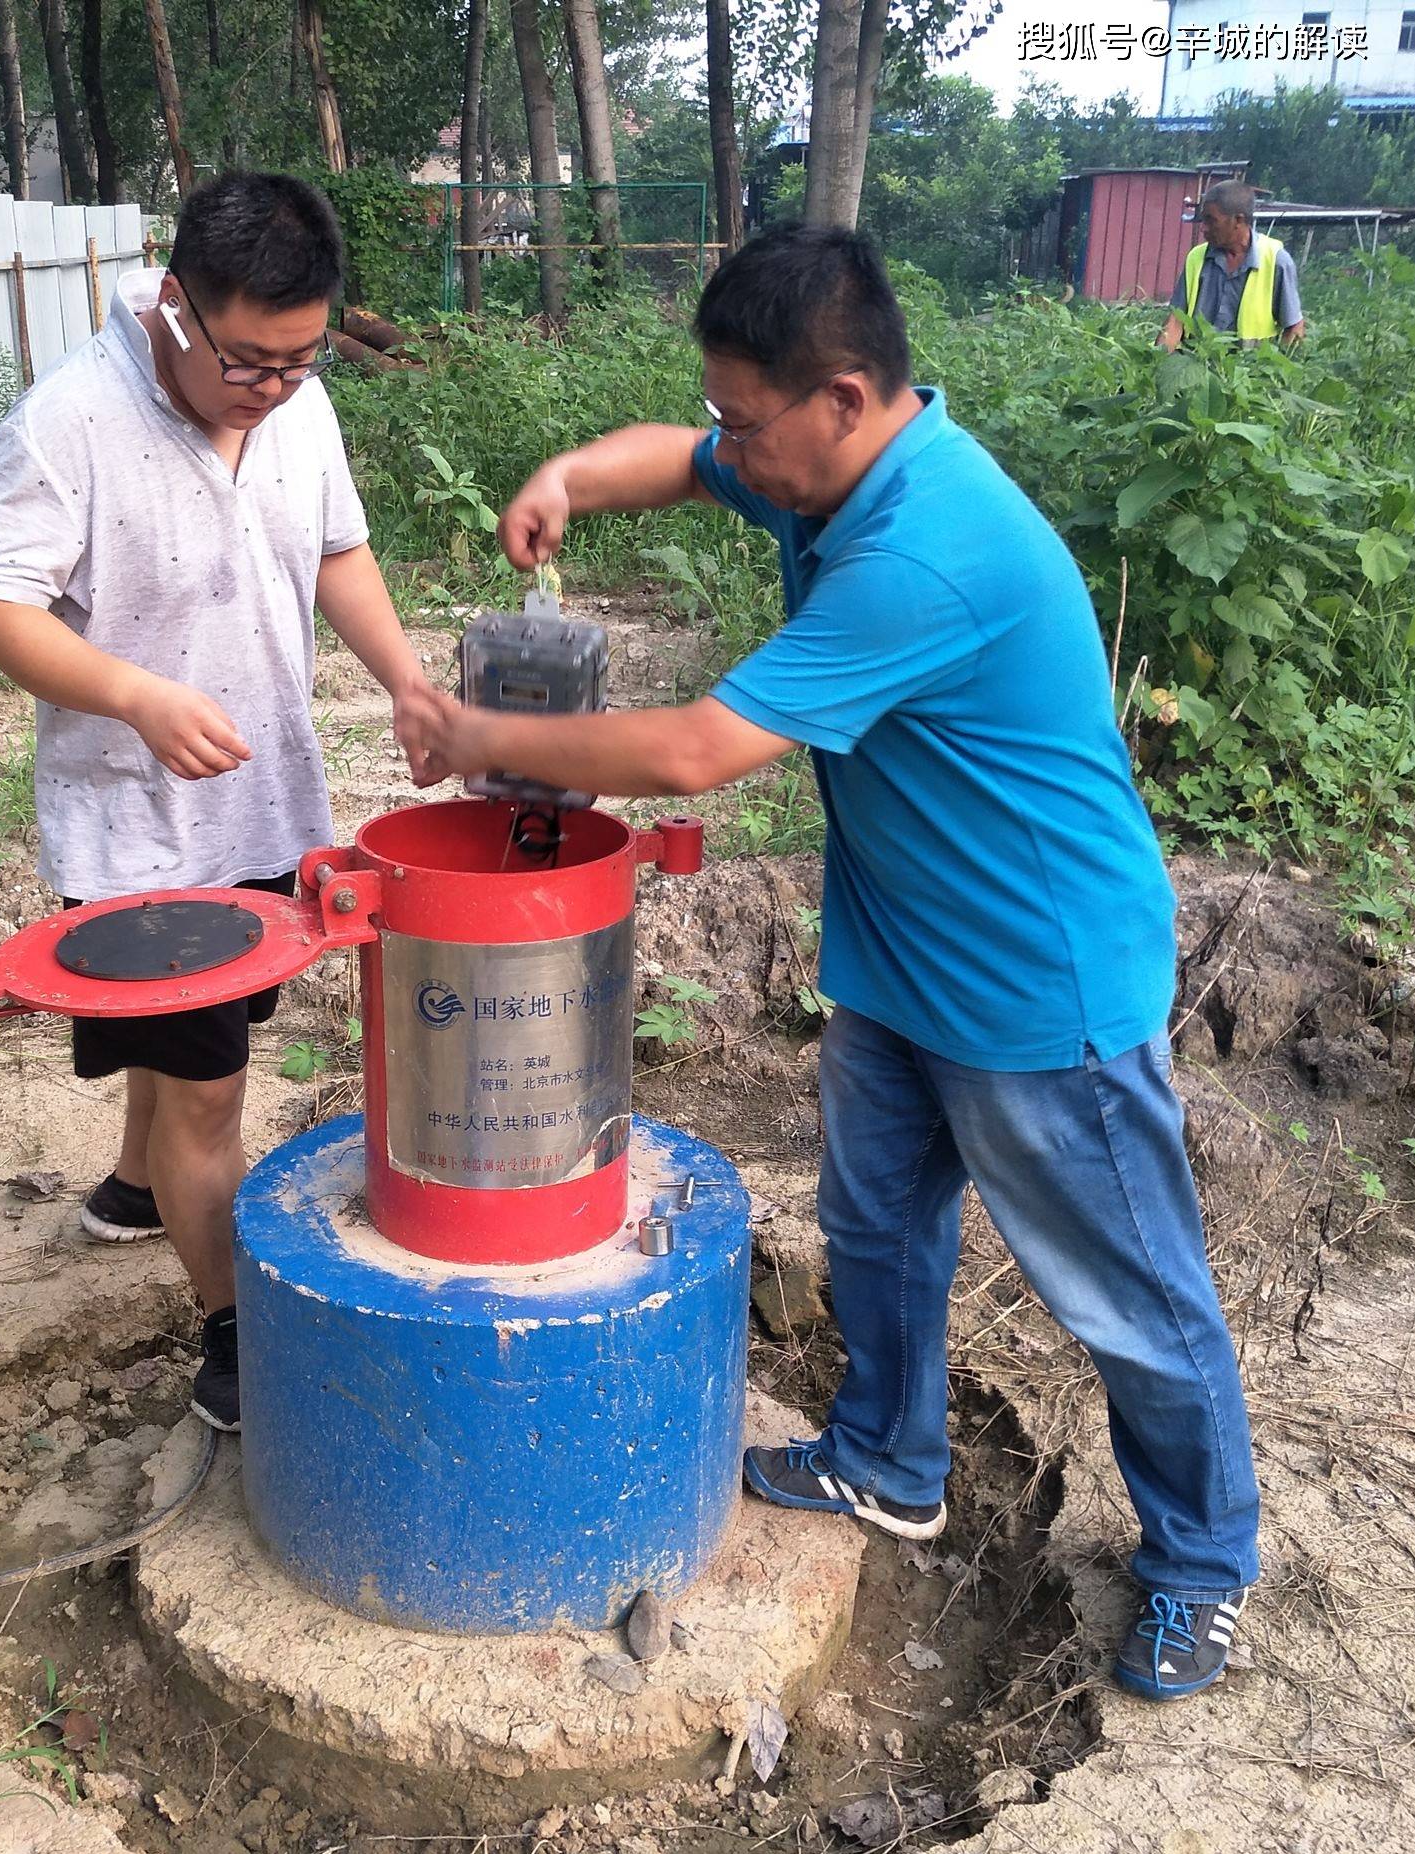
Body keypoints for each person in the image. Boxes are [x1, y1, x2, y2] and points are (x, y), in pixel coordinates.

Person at [400, 223, 1261, 1702]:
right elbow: (678, 453)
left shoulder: (927, 551)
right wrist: (567, 477)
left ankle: (1201, 1562)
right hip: (901, 954)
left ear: (846, 398)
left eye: (753, 419)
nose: (735, 444)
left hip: (1038, 983)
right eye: (729, 410)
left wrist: (481, 742)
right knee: (875, 1230)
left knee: (1128, 1291)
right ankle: (888, 1459)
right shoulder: (824, 459)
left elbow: (693, 750)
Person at [0, 171, 437, 1434]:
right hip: (137, 832)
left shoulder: (300, 405)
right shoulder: (67, 423)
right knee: (211, 1089)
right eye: (250, 361)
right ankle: (233, 1337)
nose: (275, 386)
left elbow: (339, 550)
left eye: (302, 358)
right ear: (175, 305)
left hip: (264, 800)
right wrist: (131, 694)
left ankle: (129, 1188)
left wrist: (405, 681)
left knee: (194, 1056)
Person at [1157, 179, 1305, 350]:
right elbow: (1176, 320)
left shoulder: (1276, 261)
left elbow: (1294, 327)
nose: (1203, 228)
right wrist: (1157, 362)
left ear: (1238, 221)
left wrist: (1279, 372)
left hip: (1249, 372)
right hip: (1197, 366)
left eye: (1211, 220)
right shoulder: (1196, 257)